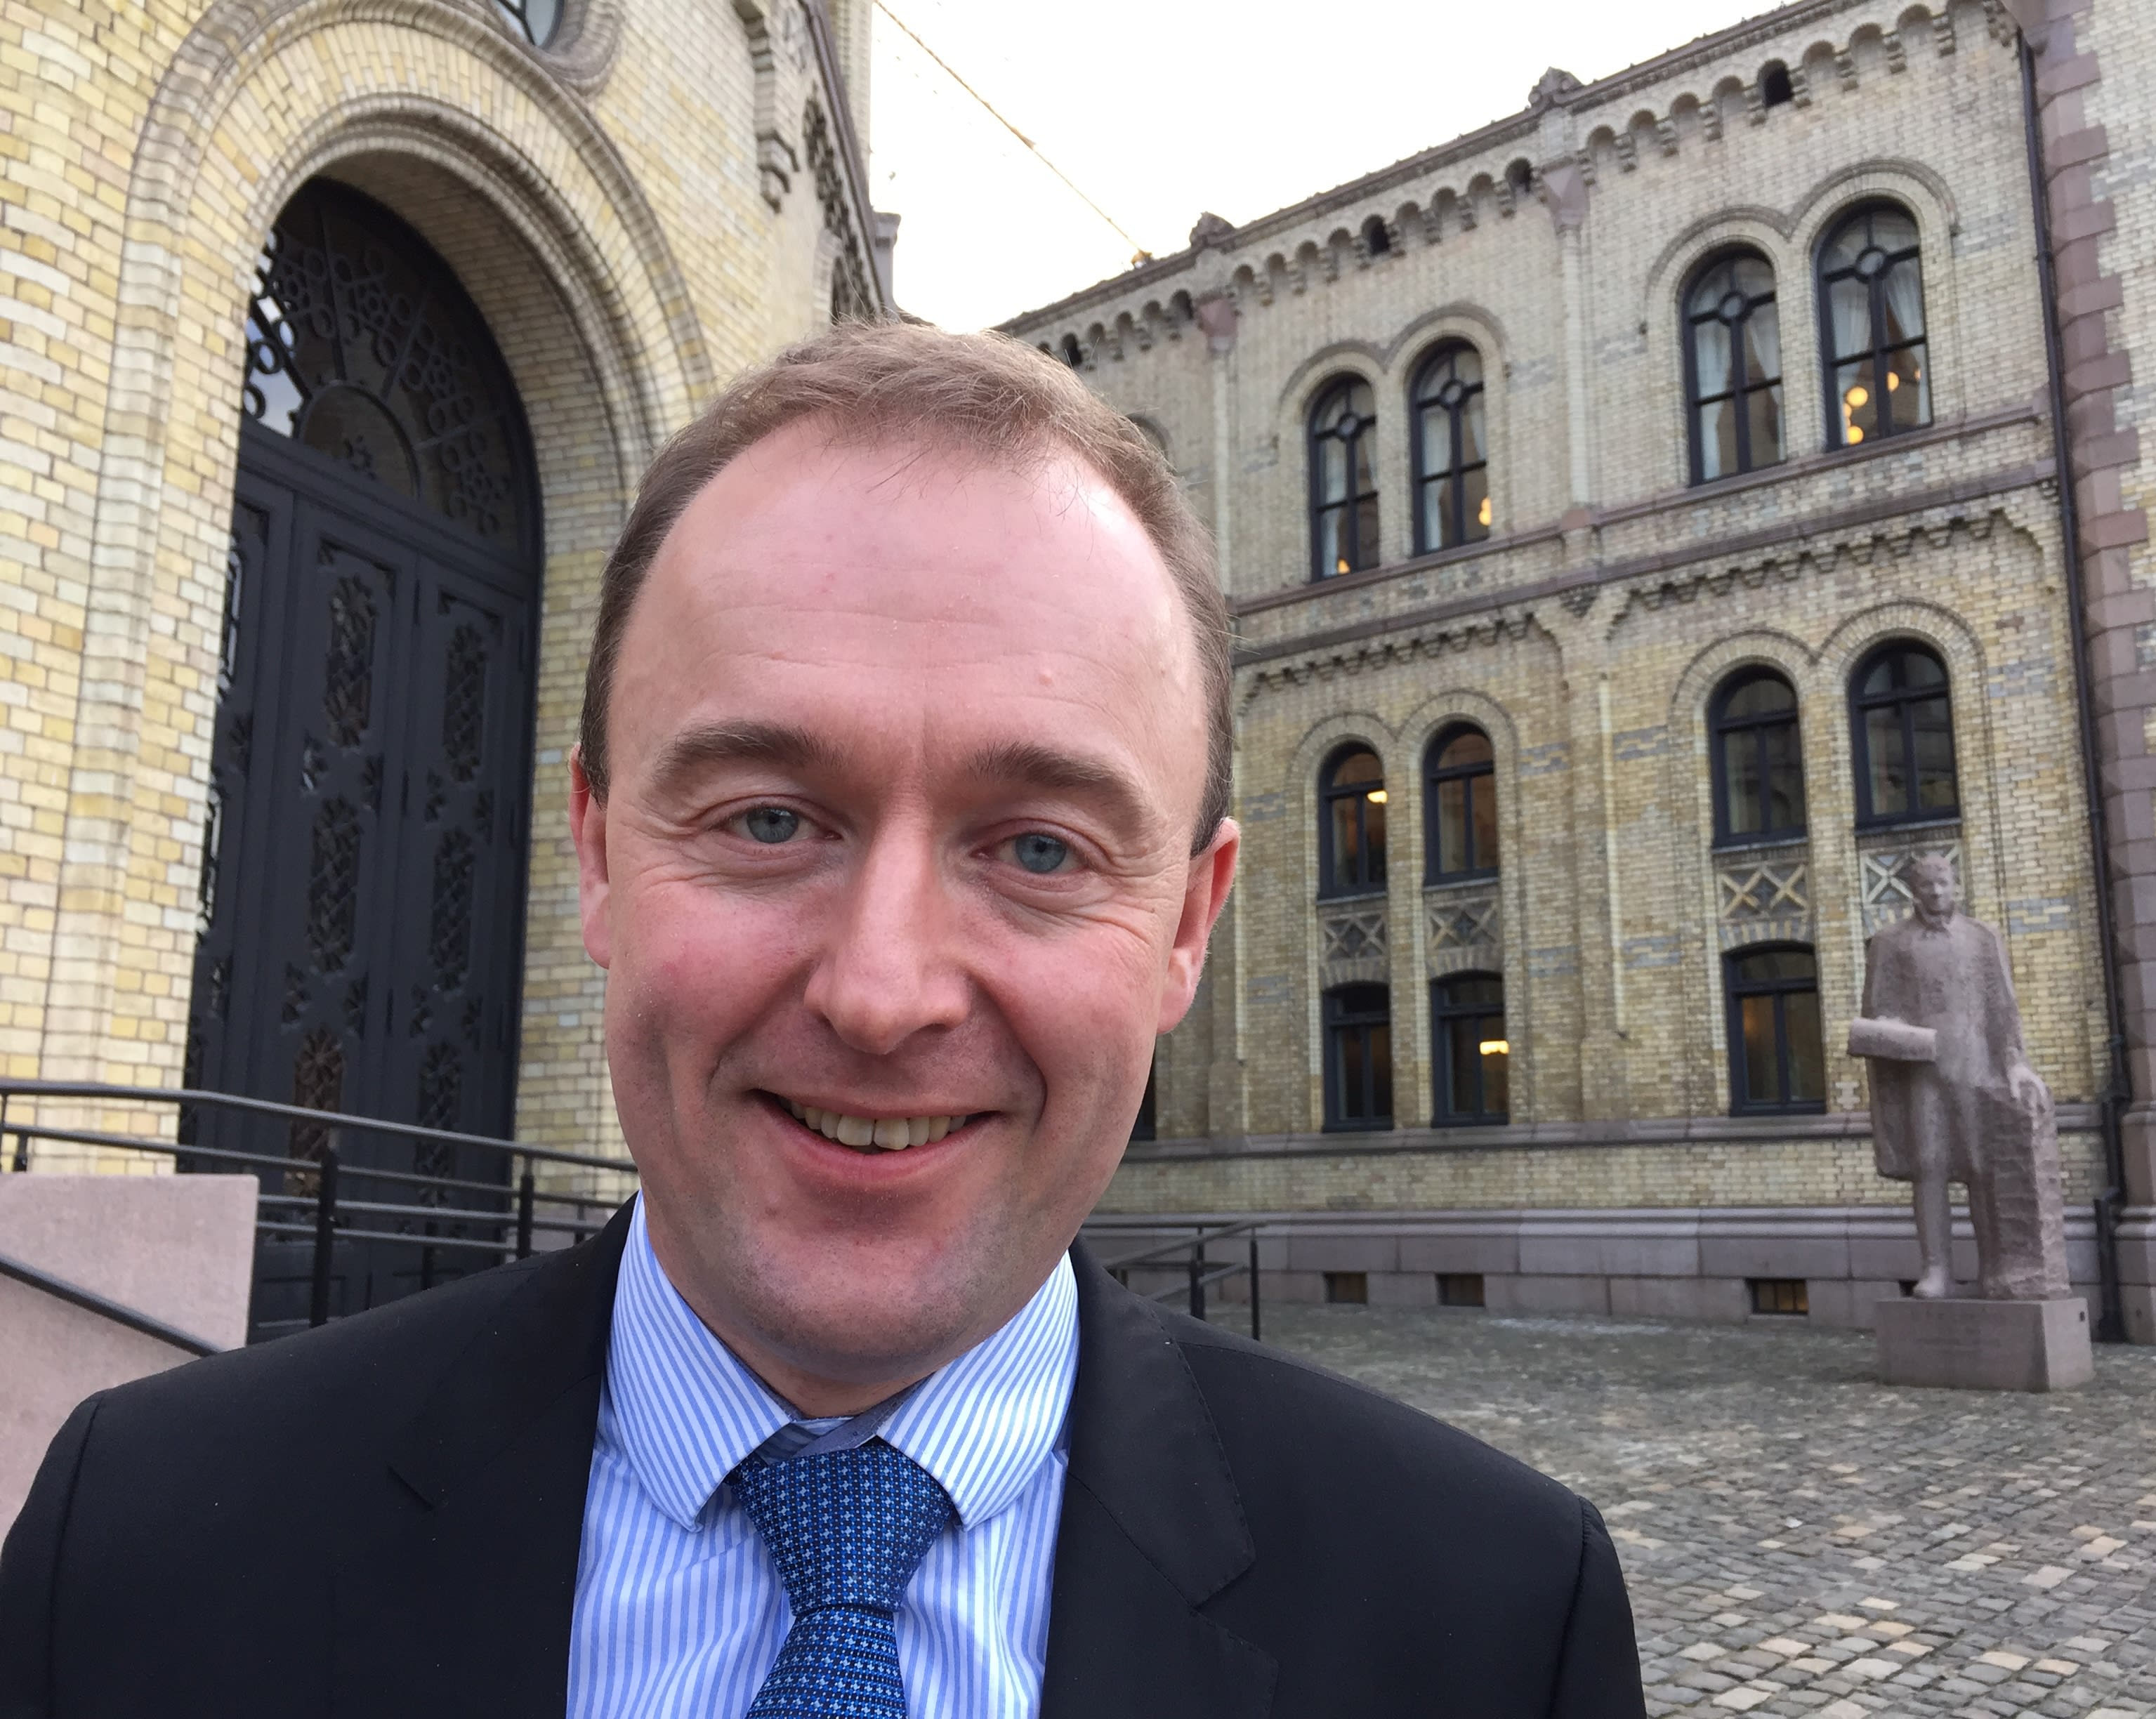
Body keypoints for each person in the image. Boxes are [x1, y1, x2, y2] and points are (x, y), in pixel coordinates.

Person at [0, 323, 1643, 1718]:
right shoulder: (135, 1546)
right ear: (596, 855)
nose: (880, 991)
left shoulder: (1494, 1625)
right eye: (770, 818)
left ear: (1186, 927)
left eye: (1038, 849)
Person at [1857, 852, 2068, 1301]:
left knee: (1981, 1166)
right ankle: (1937, 1269)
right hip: (1923, 1074)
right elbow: (1877, 1009)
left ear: (1956, 884)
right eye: (1927, 885)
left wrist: (2016, 1062)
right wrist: (1892, 1028)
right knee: (1929, 1165)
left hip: (1977, 1069)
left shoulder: (1981, 937)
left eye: (1943, 883)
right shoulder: (1891, 943)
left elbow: (2002, 1006)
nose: (1936, 892)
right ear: (1913, 891)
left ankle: (1996, 1268)